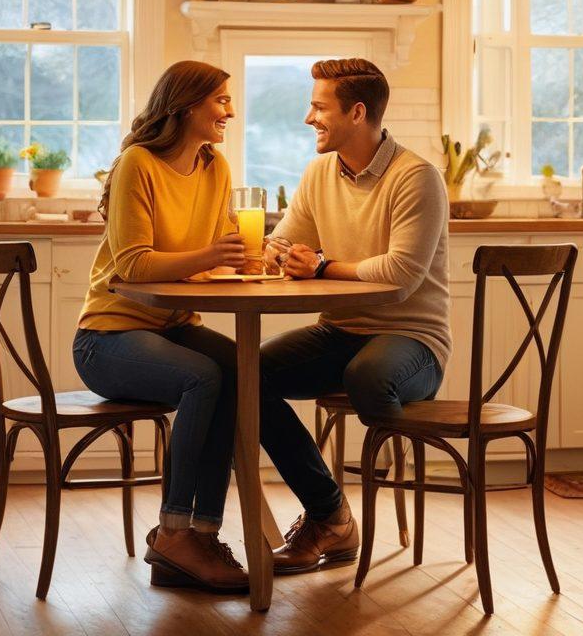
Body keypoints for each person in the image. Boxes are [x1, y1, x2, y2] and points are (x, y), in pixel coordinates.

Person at [260, 58, 450, 573]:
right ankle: (331, 515)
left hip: (412, 338)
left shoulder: (416, 177)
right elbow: (283, 240)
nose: (308, 118)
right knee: (243, 375)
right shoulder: (319, 172)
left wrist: (321, 265)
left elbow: (401, 274)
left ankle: (382, 502)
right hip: (342, 330)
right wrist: (280, 255)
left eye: (319, 107)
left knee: (365, 375)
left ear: (358, 112)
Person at [72, 60, 249, 594]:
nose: (230, 111)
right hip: (109, 337)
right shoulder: (137, 164)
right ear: (187, 104)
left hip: (170, 327)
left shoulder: (215, 168)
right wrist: (212, 253)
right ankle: (173, 533)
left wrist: (255, 258)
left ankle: (203, 534)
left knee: (239, 369)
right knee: (204, 376)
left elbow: (221, 249)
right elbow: (133, 265)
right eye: (220, 100)